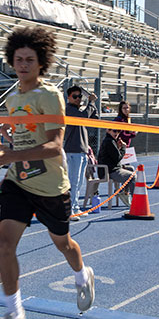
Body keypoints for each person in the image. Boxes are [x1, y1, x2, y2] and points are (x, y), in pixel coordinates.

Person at [0, 26, 95, 319]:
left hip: (50, 186)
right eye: (18, 59)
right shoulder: (13, 98)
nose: (23, 65)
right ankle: (14, 312)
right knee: (5, 244)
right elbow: (20, 139)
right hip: (19, 182)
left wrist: (10, 156)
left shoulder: (49, 95)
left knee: (64, 244)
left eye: (29, 60)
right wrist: (9, 163)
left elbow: (54, 146)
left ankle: (82, 275)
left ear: (40, 63)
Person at [63, 85, 98, 221]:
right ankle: (69, 210)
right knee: (73, 181)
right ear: (69, 97)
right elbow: (84, 116)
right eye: (75, 96)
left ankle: (75, 207)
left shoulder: (80, 110)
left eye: (80, 96)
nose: (78, 99)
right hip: (73, 150)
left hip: (82, 150)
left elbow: (94, 118)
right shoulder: (69, 110)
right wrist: (91, 102)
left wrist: (92, 104)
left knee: (79, 182)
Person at [97, 128, 135, 206]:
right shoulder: (109, 141)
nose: (117, 133)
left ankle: (123, 191)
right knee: (132, 176)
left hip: (112, 167)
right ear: (108, 131)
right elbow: (117, 158)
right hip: (109, 171)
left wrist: (119, 148)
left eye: (118, 131)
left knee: (131, 168)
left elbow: (114, 157)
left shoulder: (112, 141)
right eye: (114, 131)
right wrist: (123, 148)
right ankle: (135, 201)